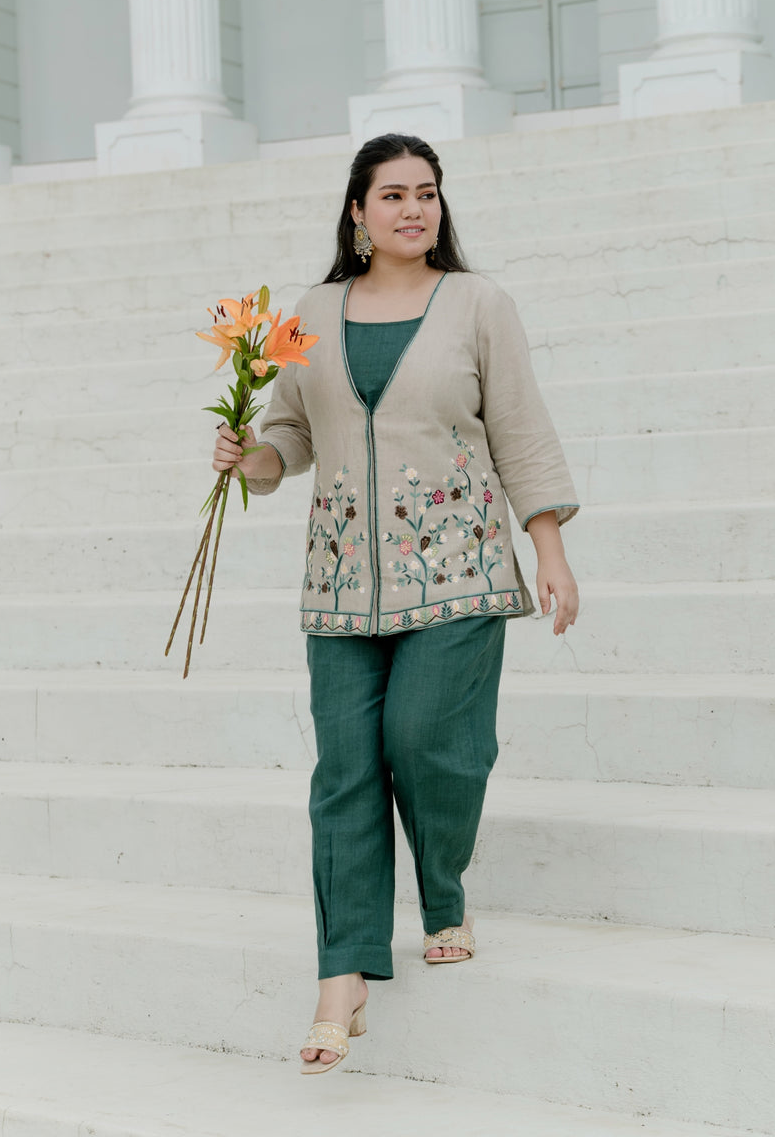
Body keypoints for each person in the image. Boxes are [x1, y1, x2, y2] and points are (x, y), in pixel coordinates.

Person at [213, 133, 579, 1074]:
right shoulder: (310, 312)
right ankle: (342, 980)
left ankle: (442, 892)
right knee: (343, 772)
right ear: (357, 212)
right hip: (342, 582)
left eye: (427, 193)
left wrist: (549, 548)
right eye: (393, 195)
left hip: (459, 571)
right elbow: (290, 436)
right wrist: (248, 459)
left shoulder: (479, 304)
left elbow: (521, 430)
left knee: (425, 743)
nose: (414, 209)